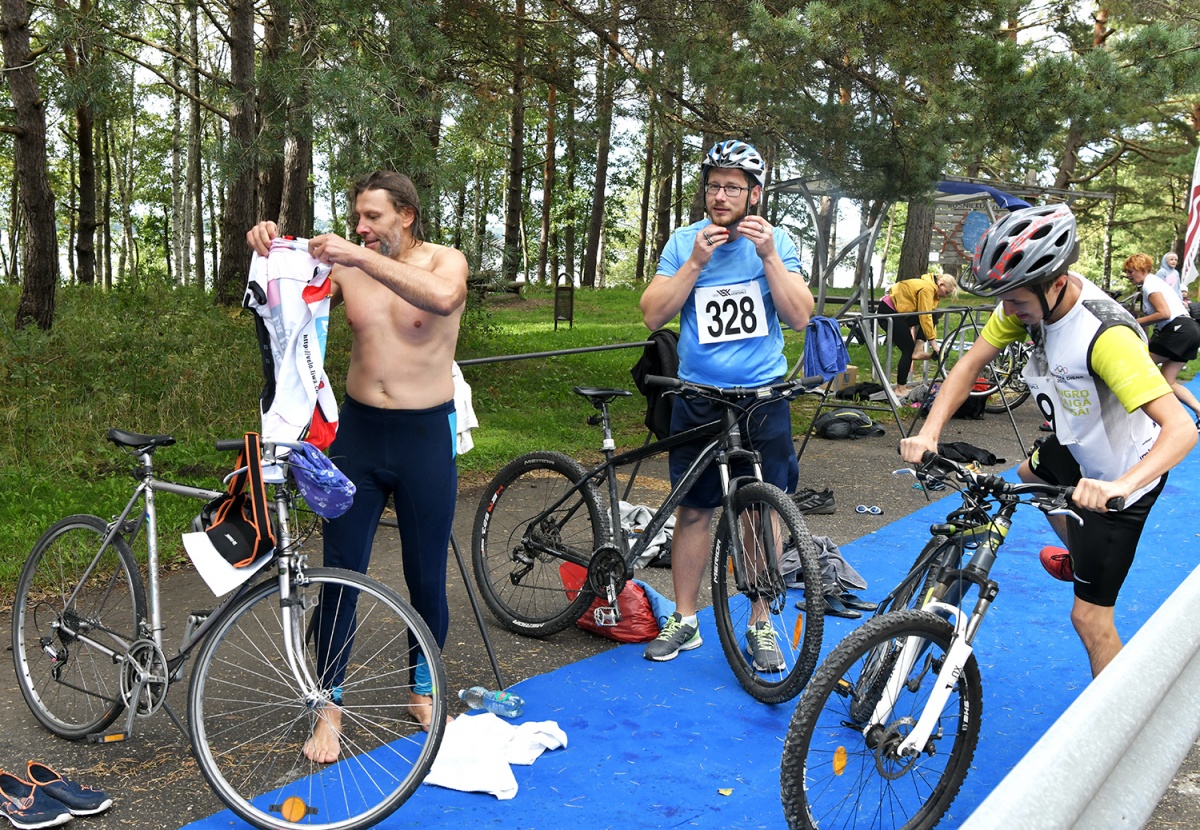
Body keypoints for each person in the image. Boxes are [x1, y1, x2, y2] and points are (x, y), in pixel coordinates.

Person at [900, 204, 1196, 679]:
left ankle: (1121, 720)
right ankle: (1079, 554)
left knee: (1089, 619)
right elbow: (969, 365)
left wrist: (1119, 486)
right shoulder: (1028, 303)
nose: (1008, 311)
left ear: (1056, 283)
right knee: (1025, 479)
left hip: (1123, 473)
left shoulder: (1106, 337)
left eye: (1016, 300)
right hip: (1076, 440)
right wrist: (929, 432)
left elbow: (1181, 430)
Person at [246, 170, 468, 762]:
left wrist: (358, 256)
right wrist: (267, 244)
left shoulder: (445, 262)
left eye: (373, 217)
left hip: (425, 436)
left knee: (426, 575)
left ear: (406, 215)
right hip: (359, 434)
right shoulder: (345, 265)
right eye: (357, 219)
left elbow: (444, 299)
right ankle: (329, 706)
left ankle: (422, 692)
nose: (361, 228)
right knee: (340, 572)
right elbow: (282, 293)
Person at [638, 139, 814, 667]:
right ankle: (685, 618)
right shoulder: (685, 241)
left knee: (760, 510)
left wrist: (769, 258)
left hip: (761, 397)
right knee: (694, 509)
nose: (720, 196)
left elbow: (800, 316)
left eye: (732, 188)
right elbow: (652, 314)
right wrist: (695, 262)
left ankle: (760, 622)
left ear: (754, 194)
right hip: (699, 396)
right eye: (713, 186)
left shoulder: (776, 242)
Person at [1127, 252, 1200, 424]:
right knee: (1168, 381)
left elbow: (1164, 313)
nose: (1128, 276)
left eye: (1130, 271)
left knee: (1140, 366)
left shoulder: (1150, 284)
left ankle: (1146, 417)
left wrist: (1133, 323)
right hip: (1190, 330)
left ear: (1141, 269)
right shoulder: (1156, 282)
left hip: (1179, 329)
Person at [878, 271, 958, 396]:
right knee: (907, 349)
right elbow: (925, 317)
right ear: (941, 284)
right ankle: (900, 388)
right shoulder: (927, 288)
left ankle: (918, 350)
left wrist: (931, 340)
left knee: (934, 316)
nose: (945, 296)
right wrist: (934, 344)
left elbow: (929, 317)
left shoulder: (931, 289)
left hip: (900, 312)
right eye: (946, 292)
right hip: (888, 312)